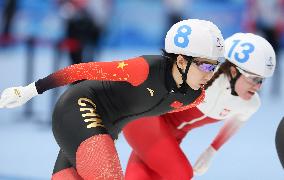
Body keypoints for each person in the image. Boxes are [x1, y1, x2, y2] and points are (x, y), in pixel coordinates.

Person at [0, 19, 224, 179]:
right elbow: (83, 70)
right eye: (205, 65)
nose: (210, 73)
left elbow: (163, 123)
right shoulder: (145, 69)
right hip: (79, 106)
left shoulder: (195, 96)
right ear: (182, 61)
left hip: (103, 129)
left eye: (215, 66)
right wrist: (29, 90)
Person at [123, 32, 276, 179]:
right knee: (181, 174)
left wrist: (212, 150)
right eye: (254, 79)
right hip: (146, 121)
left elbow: (238, 121)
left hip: (172, 137)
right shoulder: (202, 77)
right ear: (234, 71)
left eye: (262, 80)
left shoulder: (250, 104)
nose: (258, 86)